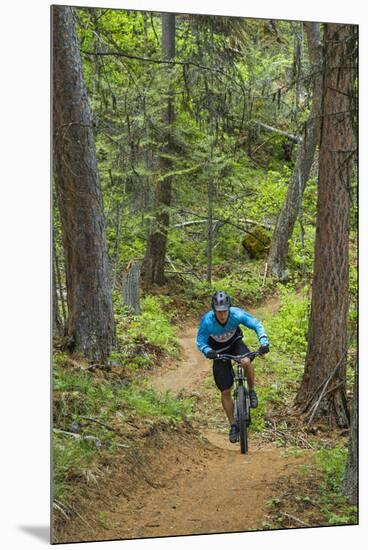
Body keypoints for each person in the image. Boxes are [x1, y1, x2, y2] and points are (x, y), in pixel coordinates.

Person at [196, 290, 269, 443]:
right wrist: (208, 351)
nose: (222, 315)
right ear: (214, 310)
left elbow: (256, 324)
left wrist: (264, 342)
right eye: (219, 312)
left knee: (246, 361)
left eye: (224, 311)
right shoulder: (207, 321)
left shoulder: (236, 314)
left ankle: (251, 391)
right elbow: (200, 341)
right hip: (218, 352)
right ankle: (233, 425)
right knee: (225, 391)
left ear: (229, 308)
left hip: (235, 344)